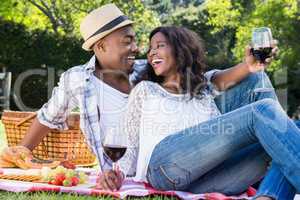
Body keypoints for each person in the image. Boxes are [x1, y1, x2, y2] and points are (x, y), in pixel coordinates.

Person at [97, 26, 300, 200]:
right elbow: (130, 143)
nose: (151, 53)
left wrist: (252, 64)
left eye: (159, 45)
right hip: (164, 167)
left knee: (290, 130)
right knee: (265, 113)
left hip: (207, 179)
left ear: (180, 49)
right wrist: (117, 173)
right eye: (150, 49)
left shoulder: (205, 87)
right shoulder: (146, 90)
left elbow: (242, 73)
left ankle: (268, 195)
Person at [3, 4, 146, 171]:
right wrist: (20, 154)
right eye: (127, 42)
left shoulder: (150, 71)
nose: (136, 48)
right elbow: (48, 117)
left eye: (135, 41)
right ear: (101, 46)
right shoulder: (78, 79)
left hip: (162, 164)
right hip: (120, 173)